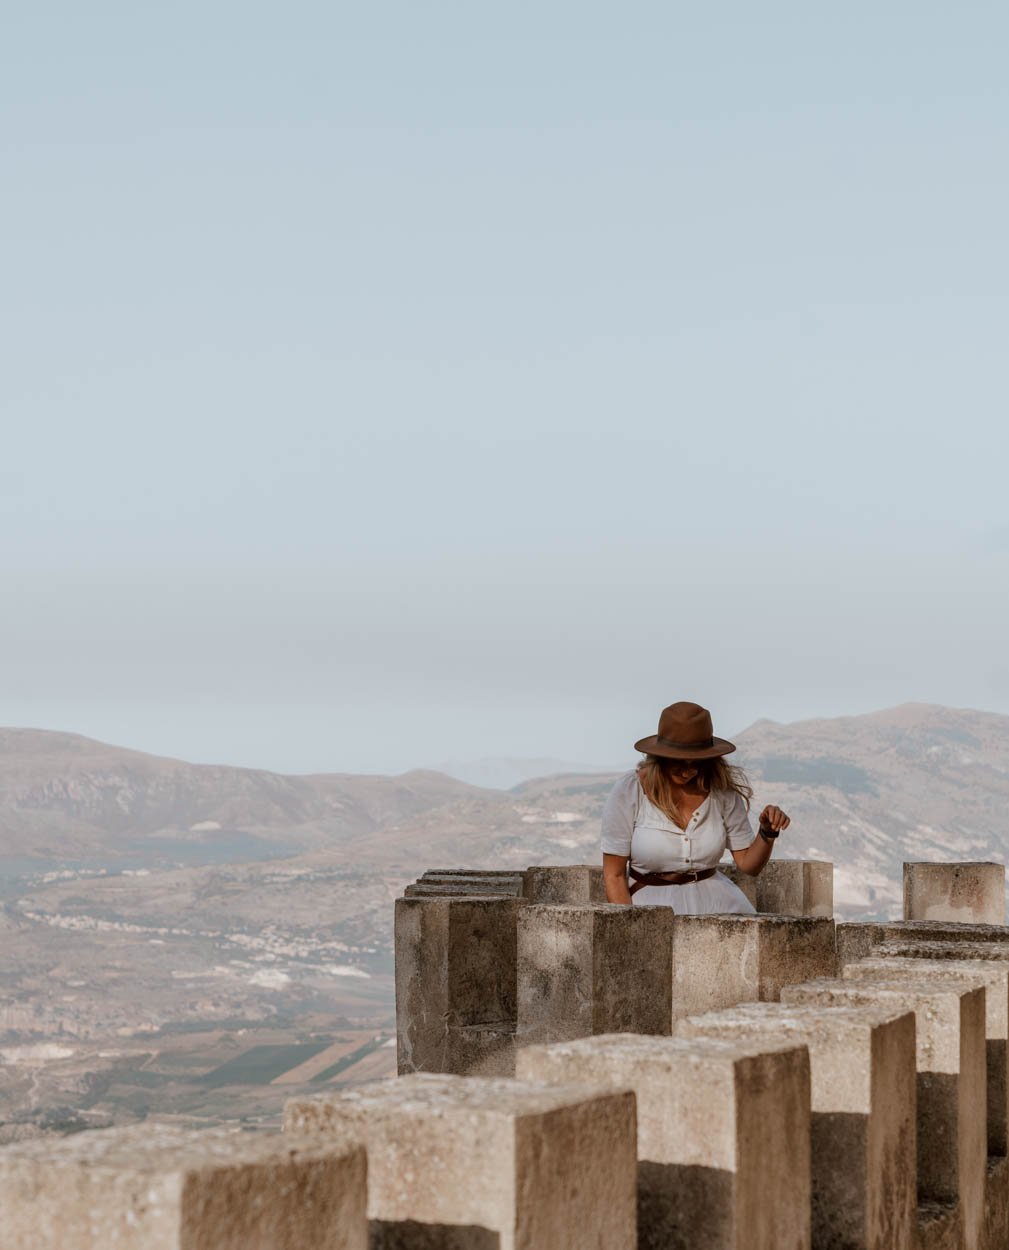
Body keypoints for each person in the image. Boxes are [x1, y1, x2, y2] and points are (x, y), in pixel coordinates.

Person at [601, 701, 790, 913]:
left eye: (696, 762)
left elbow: (748, 865)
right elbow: (614, 875)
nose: (687, 771)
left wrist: (767, 832)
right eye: (678, 762)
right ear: (660, 757)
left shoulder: (722, 792)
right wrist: (631, 928)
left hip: (721, 908)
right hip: (652, 915)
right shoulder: (630, 790)